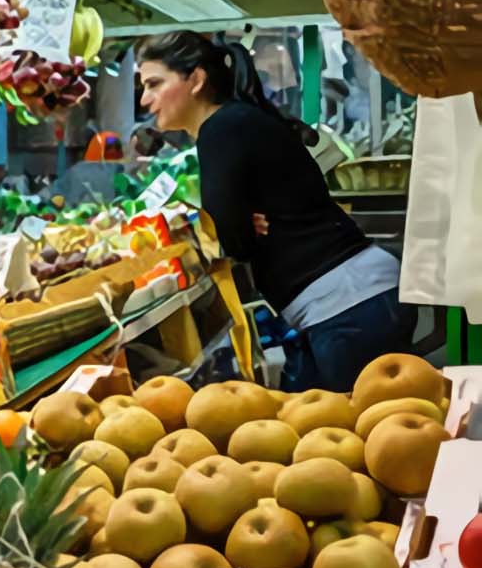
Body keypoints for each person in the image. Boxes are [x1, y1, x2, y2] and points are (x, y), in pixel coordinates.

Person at [137, 31, 414, 391]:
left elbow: (232, 240)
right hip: (352, 301)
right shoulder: (237, 121)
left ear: (196, 80)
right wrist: (232, 222)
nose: (146, 99)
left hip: (348, 306)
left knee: (374, 435)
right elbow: (231, 227)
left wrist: (230, 225)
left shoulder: (221, 128)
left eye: (155, 84)